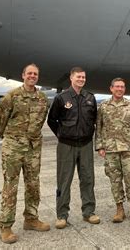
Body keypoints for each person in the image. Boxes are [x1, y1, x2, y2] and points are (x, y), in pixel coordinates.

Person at [0, 63, 50, 244]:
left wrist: (31, 137)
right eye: (29, 73)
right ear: (23, 75)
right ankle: (6, 226)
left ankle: (31, 219)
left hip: (33, 148)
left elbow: (41, 121)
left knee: (33, 184)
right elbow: (0, 119)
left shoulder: (42, 98)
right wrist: (10, 138)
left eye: (35, 74)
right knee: (11, 186)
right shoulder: (12, 96)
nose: (32, 76)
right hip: (13, 148)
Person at [47, 67, 100, 229]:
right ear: (71, 78)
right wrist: (62, 135)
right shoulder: (61, 98)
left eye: (83, 77)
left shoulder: (90, 98)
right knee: (64, 181)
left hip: (85, 144)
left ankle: (89, 212)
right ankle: (62, 215)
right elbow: (52, 120)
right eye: (78, 77)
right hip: (66, 145)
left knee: (88, 179)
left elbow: (94, 120)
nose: (81, 79)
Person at [96, 78, 130, 222]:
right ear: (111, 89)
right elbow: (99, 127)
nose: (119, 89)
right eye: (117, 87)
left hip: (128, 148)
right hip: (110, 149)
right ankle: (119, 209)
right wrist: (100, 146)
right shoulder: (104, 106)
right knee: (115, 180)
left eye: (122, 87)